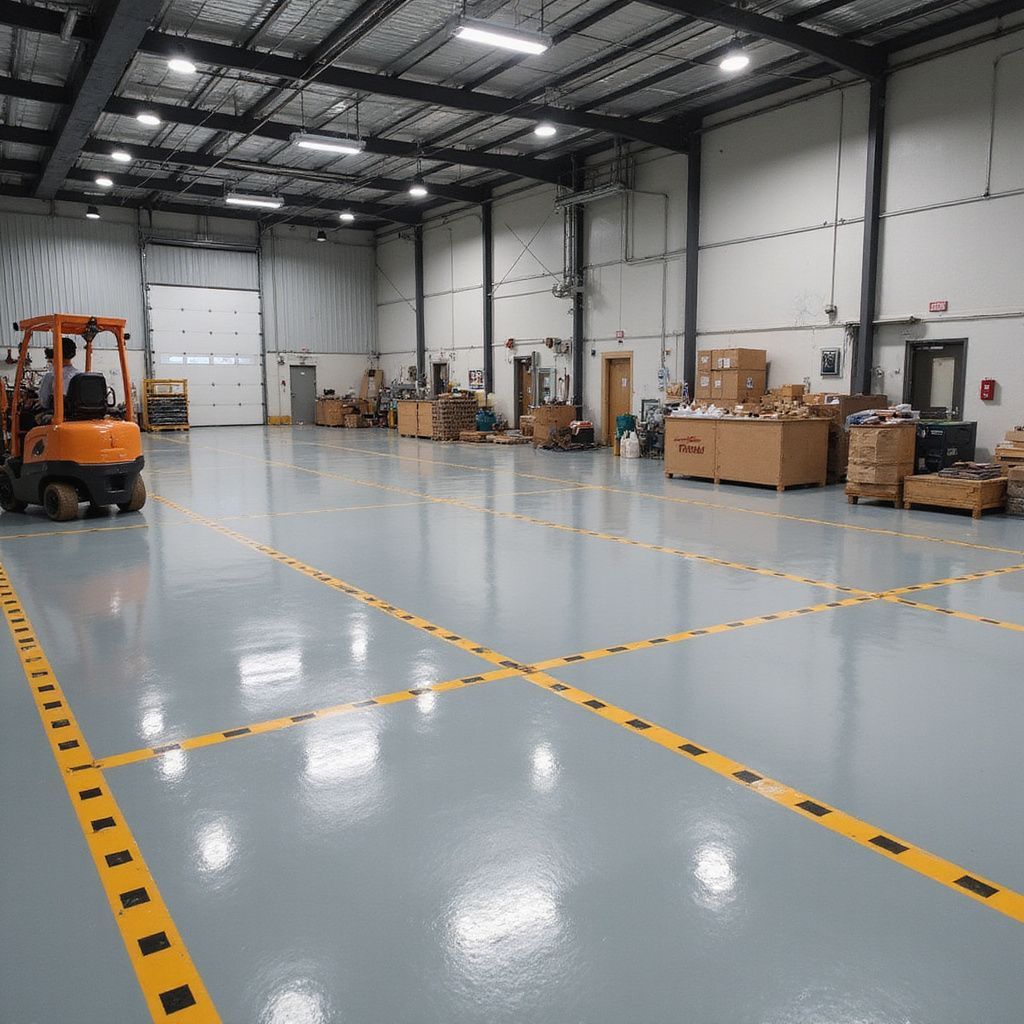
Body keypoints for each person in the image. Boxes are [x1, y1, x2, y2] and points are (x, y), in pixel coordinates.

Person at [37, 336, 79, 411]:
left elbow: (44, 402)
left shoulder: (50, 376)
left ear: (56, 353)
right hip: (80, 413)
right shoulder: (80, 375)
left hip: (61, 414)